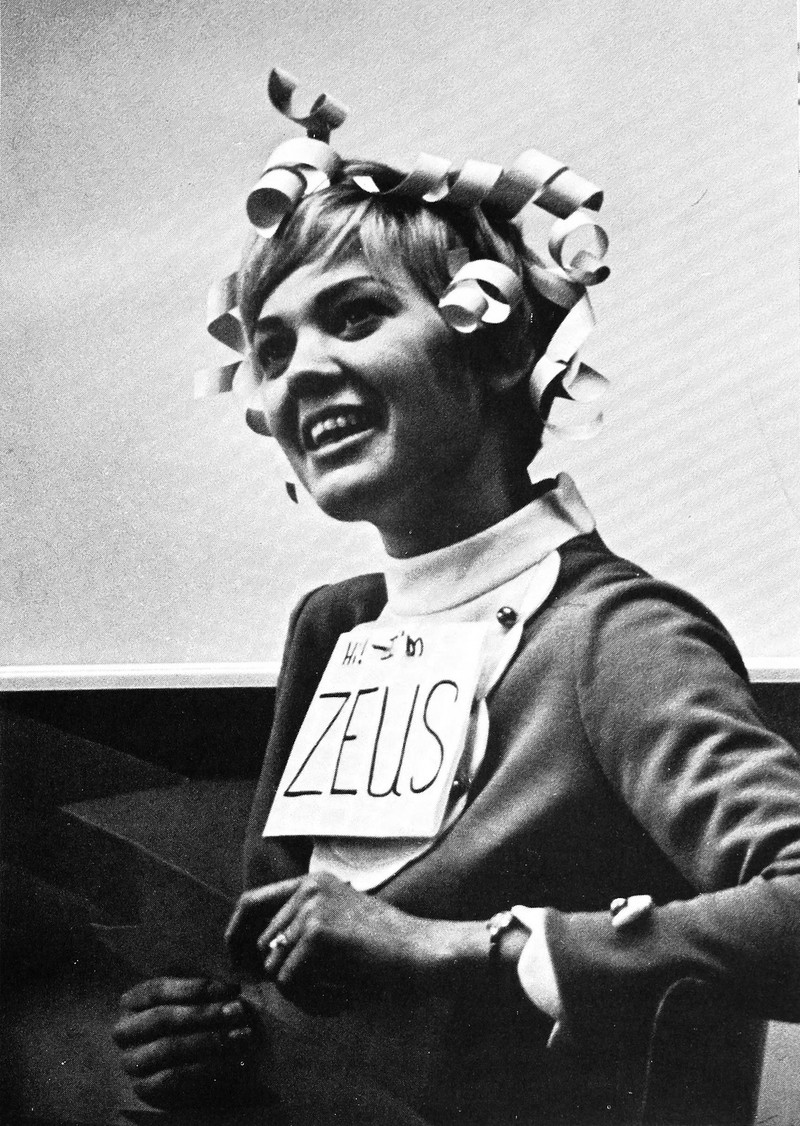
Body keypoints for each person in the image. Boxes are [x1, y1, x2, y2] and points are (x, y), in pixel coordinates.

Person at [112, 71, 800, 1125]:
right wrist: (207, 1031)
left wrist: (460, 949)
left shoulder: (614, 635)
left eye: (355, 316)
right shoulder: (332, 624)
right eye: (273, 347)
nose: (299, 374)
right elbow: (291, 958)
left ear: (500, 347)